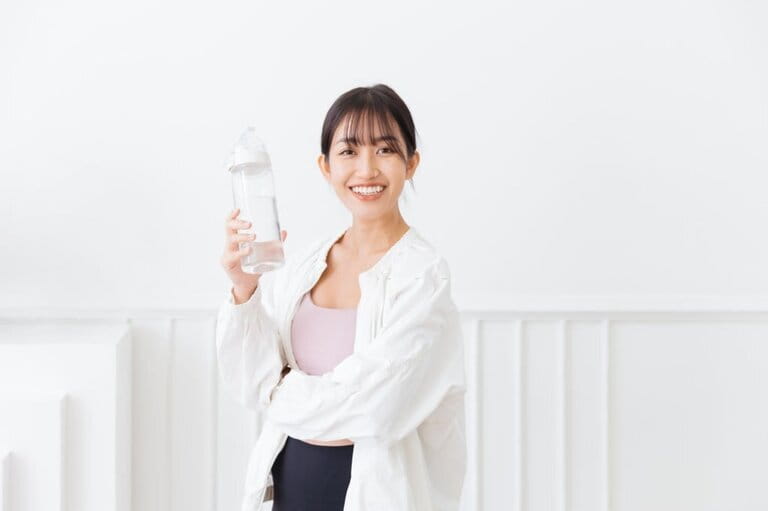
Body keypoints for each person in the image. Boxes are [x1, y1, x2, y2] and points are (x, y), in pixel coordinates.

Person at [216, 84, 467, 510]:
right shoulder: (304, 265)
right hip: (288, 490)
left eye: (385, 150)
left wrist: (278, 394)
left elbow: (377, 409)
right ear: (325, 166)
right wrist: (245, 288)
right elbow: (249, 381)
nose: (366, 169)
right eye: (349, 151)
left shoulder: (423, 276)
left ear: (411, 164)